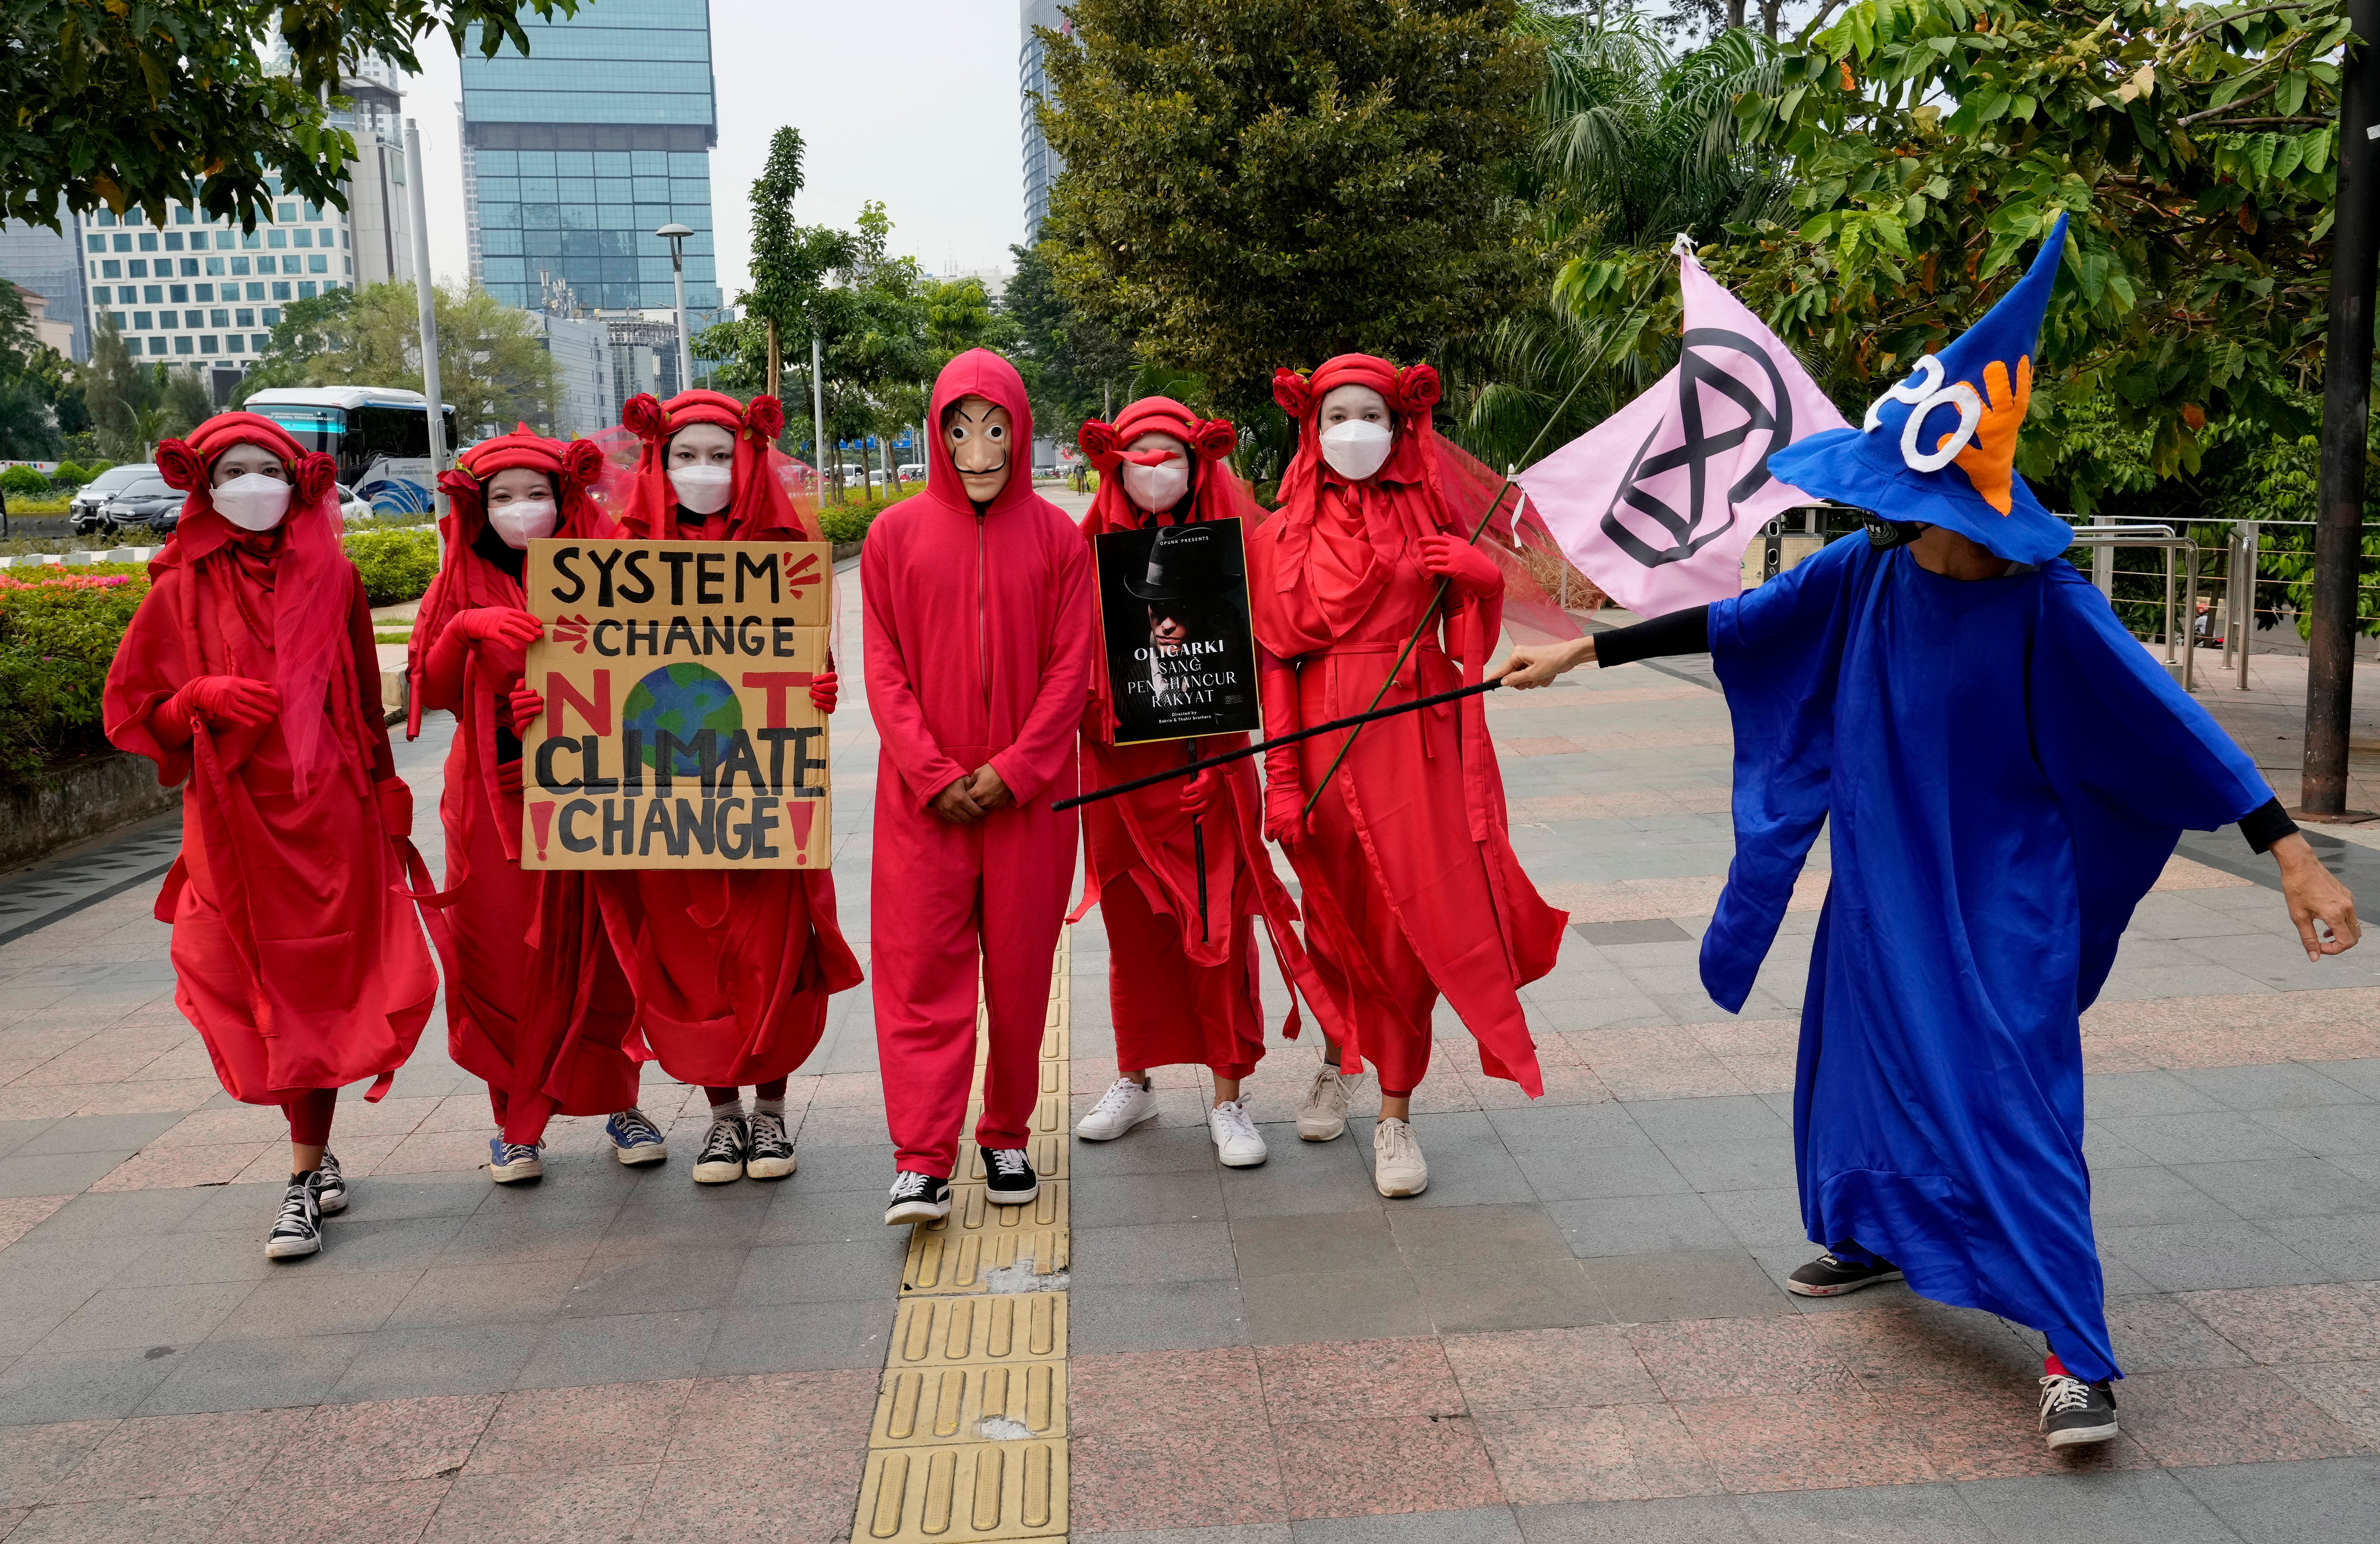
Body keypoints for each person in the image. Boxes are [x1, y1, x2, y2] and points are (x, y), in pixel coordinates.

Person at [1496, 215, 2362, 1449]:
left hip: (2003, 896)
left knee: (2016, 1096)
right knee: (1859, 1060)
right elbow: (1738, 623)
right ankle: (1868, 1233)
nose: (1894, 516)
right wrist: (1582, 648)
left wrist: (2293, 854)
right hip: (1883, 878)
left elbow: (2176, 727)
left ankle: (2076, 1353)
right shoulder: (1867, 573)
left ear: (1971, 501)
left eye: (1911, 500)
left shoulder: (2052, 607)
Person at [103, 412, 437, 1260]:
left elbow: (367, 702)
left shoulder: (339, 579)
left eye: (269, 470)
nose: (252, 487)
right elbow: (137, 710)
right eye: (232, 473)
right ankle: (313, 1157)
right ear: (204, 489)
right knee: (243, 974)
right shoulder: (176, 589)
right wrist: (200, 698)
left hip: (332, 816)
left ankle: (301, 1178)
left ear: (299, 483)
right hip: (232, 819)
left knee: (320, 982)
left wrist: (386, 794)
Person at [1248, 355, 1567, 1198]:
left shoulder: (1430, 515)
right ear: (1311, 429)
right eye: (1336, 416)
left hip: (1412, 744)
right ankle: (1335, 1057)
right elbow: (1276, 663)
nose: (1355, 431)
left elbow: (1467, 636)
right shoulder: (1278, 536)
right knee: (1334, 913)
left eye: (1373, 416)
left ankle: (1396, 1114)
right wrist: (1281, 780)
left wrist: (1481, 580)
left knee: (1406, 922)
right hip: (1320, 741)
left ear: (1400, 427)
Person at [590, 388, 861, 1184]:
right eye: (685, 456)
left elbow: (811, 660)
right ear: (658, 462)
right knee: (691, 964)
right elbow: (591, 675)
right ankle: (720, 1117)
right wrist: (546, 703)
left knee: (771, 956)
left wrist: (818, 690)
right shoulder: (618, 557)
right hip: (662, 801)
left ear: (747, 461)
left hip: (761, 794)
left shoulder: (783, 554)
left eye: (719, 455)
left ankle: (771, 1116)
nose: (702, 472)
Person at [865, 349, 1097, 1224]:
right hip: (922, 808)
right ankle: (922, 1158)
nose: (978, 447)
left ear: (1021, 430)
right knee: (921, 974)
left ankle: (1004, 1136)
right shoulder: (892, 537)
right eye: (959, 430)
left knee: (1022, 977)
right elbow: (884, 671)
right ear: (936, 434)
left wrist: (1015, 770)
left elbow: (1071, 668)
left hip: (1027, 807)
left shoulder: (1058, 540)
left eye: (995, 428)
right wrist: (933, 774)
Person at [1068, 398, 1329, 1169]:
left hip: (1209, 776)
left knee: (1220, 937)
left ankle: (1229, 1097)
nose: (1154, 472)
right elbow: (1056, 654)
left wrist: (1222, 759)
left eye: (1170, 457)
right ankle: (1134, 1078)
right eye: (1138, 458)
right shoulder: (1084, 550)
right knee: (1133, 936)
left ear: (1198, 464)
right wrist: (1090, 707)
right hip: (1117, 777)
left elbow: (1274, 645)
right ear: (1115, 465)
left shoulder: (1240, 546)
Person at [407, 425, 660, 1184]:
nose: (523, 510)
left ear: (565, 497)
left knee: (607, 947)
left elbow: (660, 669)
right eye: (504, 497)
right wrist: (466, 633)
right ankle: (515, 1123)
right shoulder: (458, 580)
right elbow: (433, 687)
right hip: (493, 801)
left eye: (538, 494)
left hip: (592, 787)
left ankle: (621, 1101)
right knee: (501, 955)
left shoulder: (613, 569)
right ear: (479, 507)